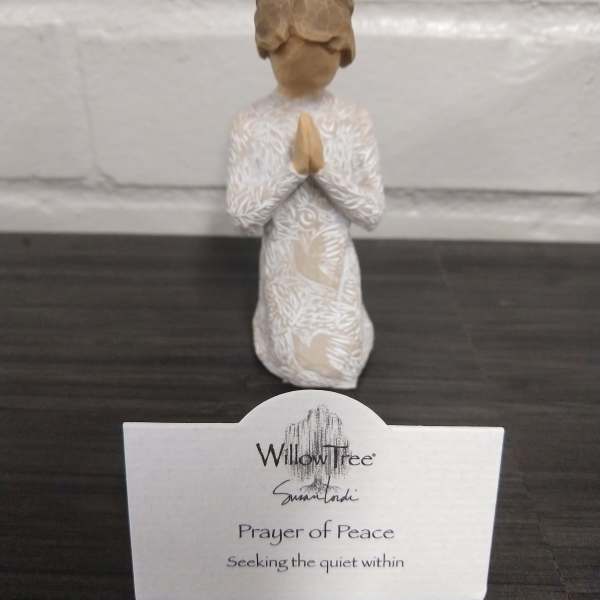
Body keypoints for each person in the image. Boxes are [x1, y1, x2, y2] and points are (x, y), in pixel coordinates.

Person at [226, 0, 385, 389]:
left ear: (342, 49)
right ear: (271, 49)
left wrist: (323, 170)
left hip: (335, 271)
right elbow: (242, 215)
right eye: (296, 51)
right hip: (285, 270)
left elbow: (371, 212)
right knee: (299, 362)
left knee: (337, 361)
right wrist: (293, 171)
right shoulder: (251, 123)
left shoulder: (354, 120)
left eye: (327, 51)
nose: (314, 63)